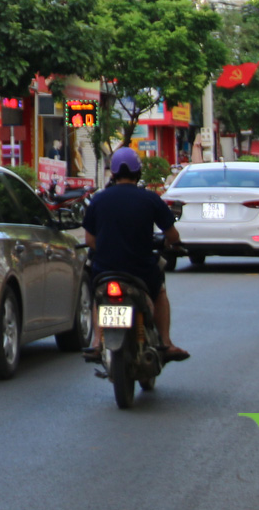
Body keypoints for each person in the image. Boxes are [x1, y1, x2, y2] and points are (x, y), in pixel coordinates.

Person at [81, 146, 190, 363]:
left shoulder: (98, 200)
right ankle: (166, 343)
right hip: (140, 269)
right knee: (159, 292)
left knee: (98, 297)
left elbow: (89, 240)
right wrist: (172, 244)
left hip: (105, 269)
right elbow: (172, 234)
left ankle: (96, 343)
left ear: (113, 173)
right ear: (138, 172)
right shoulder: (149, 199)